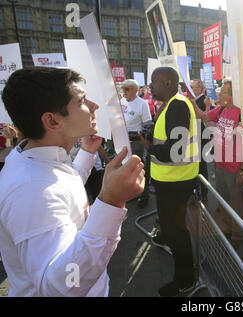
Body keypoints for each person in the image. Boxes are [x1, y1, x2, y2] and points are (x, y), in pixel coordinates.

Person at [0, 67, 145, 296]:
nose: (94, 106)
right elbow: (63, 285)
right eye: (81, 101)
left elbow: (60, 185)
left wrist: (87, 153)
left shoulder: (36, 158)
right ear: (53, 121)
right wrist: (112, 201)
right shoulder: (31, 191)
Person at [143, 66, 199, 297]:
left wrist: (150, 148)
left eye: (154, 82)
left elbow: (175, 151)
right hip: (170, 179)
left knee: (178, 231)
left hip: (176, 181)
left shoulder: (177, 105)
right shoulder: (172, 104)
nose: (150, 86)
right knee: (171, 228)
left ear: (167, 83)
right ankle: (166, 237)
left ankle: (185, 280)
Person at [192, 78, 243, 249]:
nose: (220, 94)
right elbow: (203, 116)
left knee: (237, 204)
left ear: (234, 95)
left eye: (224, 92)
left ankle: (237, 235)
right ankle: (227, 229)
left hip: (235, 168)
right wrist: (194, 104)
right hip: (220, 165)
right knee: (223, 200)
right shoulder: (220, 110)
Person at [120, 79, 153, 208]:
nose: (124, 91)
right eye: (123, 89)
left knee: (140, 169)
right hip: (123, 140)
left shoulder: (142, 104)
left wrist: (139, 136)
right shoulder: (121, 101)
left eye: (127, 89)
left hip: (136, 141)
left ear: (135, 90)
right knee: (127, 169)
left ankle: (144, 195)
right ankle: (132, 193)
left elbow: (147, 125)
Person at [190, 79, 213, 201]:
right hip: (193, 138)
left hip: (202, 139)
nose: (189, 88)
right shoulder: (191, 100)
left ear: (199, 88)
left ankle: (203, 194)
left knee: (202, 167)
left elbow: (206, 120)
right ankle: (197, 190)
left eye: (192, 86)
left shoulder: (204, 101)